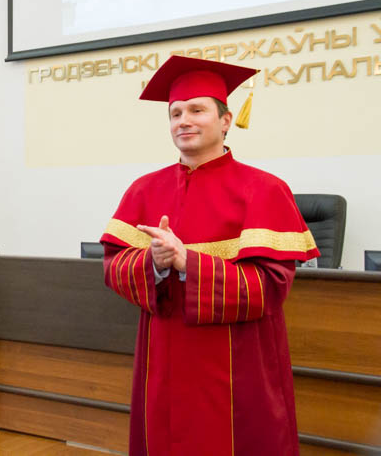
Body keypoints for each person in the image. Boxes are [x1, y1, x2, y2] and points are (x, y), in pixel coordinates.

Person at [99, 55, 319, 456]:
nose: (184, 120)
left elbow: (271, 288)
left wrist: (188, 262)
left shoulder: (264, 190)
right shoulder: (144, 190)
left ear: (225, 120)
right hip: (163, 355)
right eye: (176, 113)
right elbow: (113, 267)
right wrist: (154, 263)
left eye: (197, 110)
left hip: (240, 361)